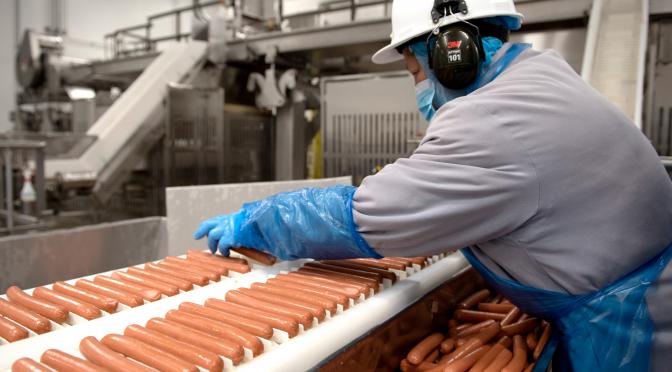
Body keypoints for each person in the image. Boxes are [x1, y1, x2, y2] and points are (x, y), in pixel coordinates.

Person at [194, 0, 672, 370]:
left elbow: (365, 217)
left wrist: (256, 221)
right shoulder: (542, 79)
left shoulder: (493, 118)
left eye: (416, 69)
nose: (419, 85)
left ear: (453, 51)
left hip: (629, 333)